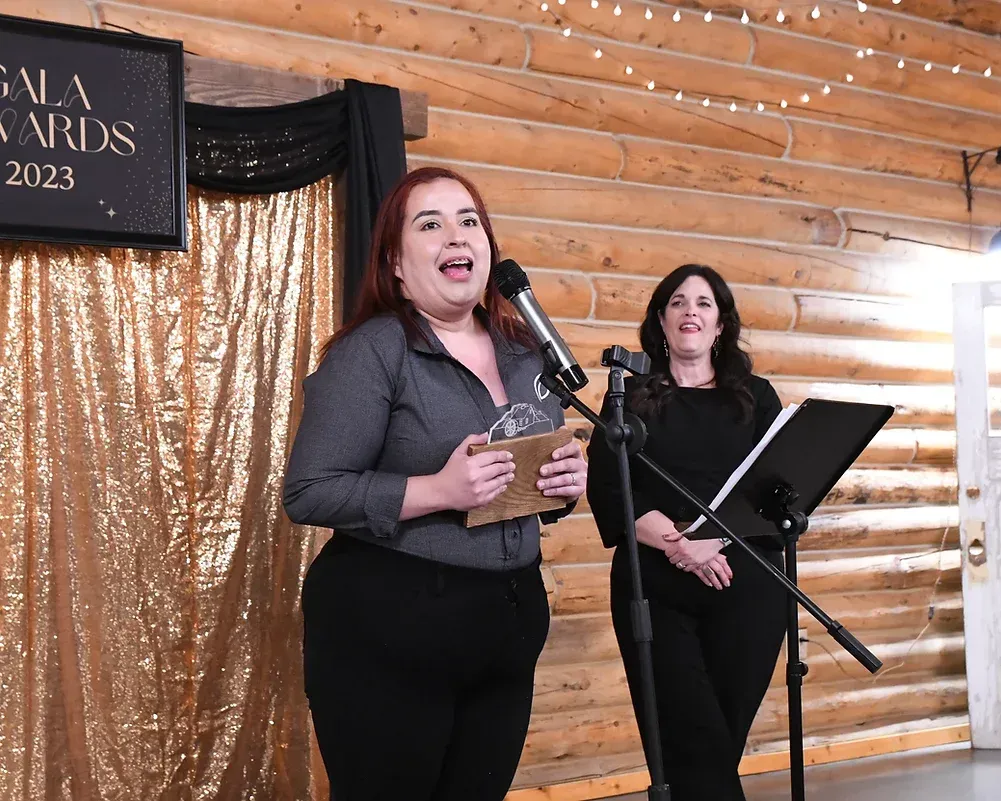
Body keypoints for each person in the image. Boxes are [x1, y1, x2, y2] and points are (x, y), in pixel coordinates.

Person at [283, 166, 587, 801]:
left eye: (469, 221)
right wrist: (439, 491)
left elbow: (521, 479)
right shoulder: (371, 352)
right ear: (396, 264)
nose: (457, 236)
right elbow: (309, 490)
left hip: (505, 621)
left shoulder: (525, 352)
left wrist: (561, 487)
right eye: (432, 224)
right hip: (388, 625)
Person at [585, 264, 787, 801]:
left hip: (749, 587)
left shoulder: (758, 398)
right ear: (661, 320)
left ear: (721, 324)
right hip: (654, 586)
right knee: (687, 741)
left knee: (720, 740)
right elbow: (609, 488)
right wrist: (680, 545)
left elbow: (774, 488)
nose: (690, 311)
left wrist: (715, 543)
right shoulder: (626, 399)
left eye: (703, 303)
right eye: (677, 302)